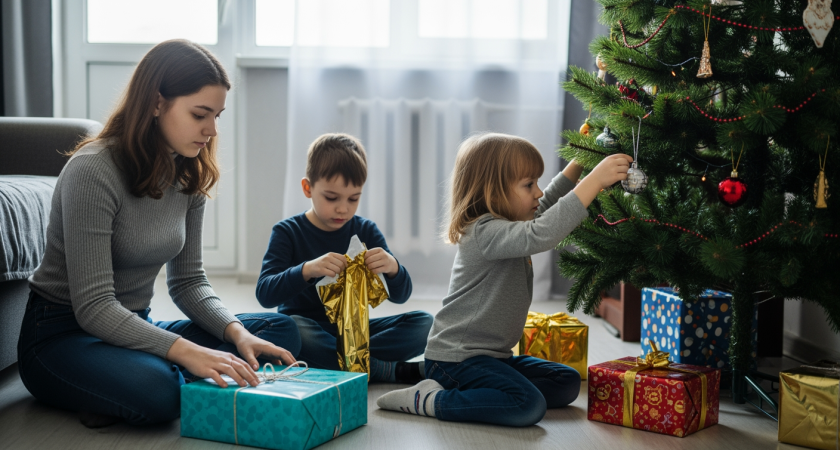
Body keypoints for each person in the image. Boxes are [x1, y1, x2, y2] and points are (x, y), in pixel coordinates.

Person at [17, 39, 301, 428]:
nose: (212, 130)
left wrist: (237, 333)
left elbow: (188, 282)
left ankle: (118, 389)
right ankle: (135, 381)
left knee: (277, 333)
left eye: (217, 116)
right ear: (156, 103)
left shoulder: (189, 170)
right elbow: (94, 307)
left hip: (136, 326)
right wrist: (186, 351)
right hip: (62, 334)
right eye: (200, 114)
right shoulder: (93, 170)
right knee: (159, 390)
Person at [376, 132, 633, 426]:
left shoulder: (510, 222)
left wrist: (579, 162)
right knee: (528, 405)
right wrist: (595, 180)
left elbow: (548, 203)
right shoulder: (484, 232)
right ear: (493, 192)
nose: (538, 192)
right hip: (459, 357)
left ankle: (420, 372)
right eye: (528, 184)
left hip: (494, 357)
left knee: (566, 381)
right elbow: (543, 232)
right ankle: (430, 399)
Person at [256, 133, 433, 383]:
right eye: (331, 198)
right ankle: (383, 369)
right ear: (308, 188)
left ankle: (345, 363)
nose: (343, 208)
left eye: (353, 199)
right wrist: (307, 270)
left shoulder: (366, 230)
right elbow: (265, 294)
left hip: (357, 333)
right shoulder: (287, 232)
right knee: (292, 330)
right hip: (309, 330)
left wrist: (393, 268)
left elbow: (401, 296)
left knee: (425, 323)